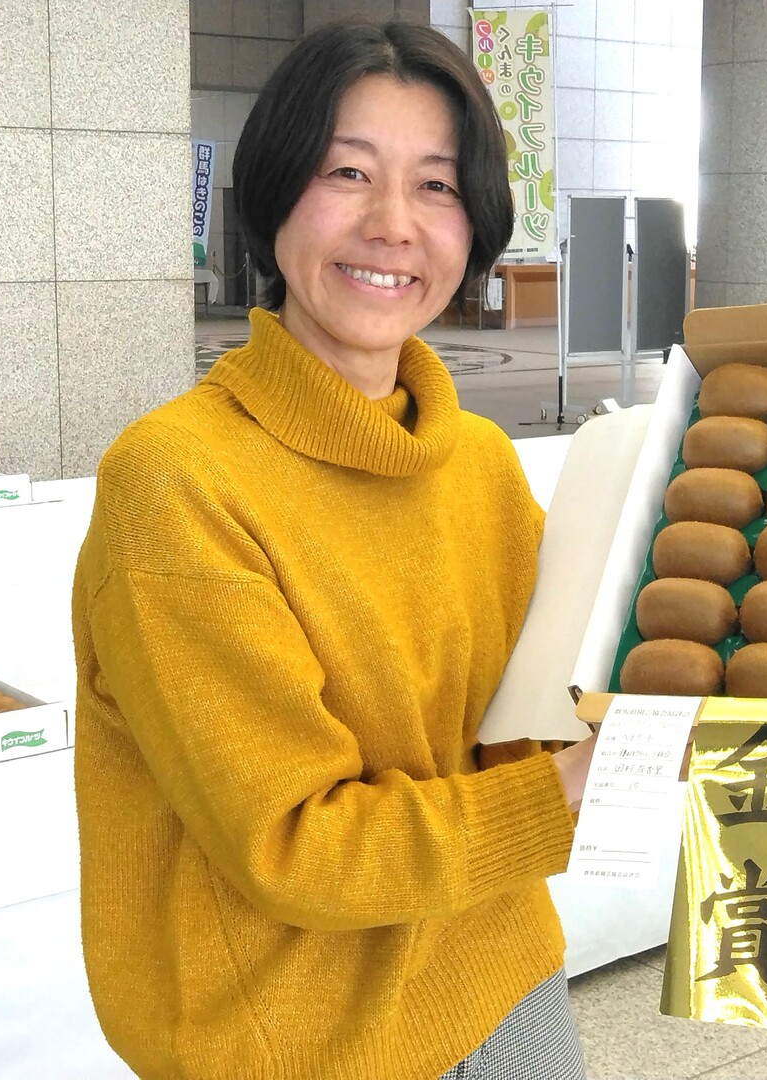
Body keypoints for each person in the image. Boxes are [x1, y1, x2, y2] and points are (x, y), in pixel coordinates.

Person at [70, 19, 596, 1080]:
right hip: (295, 1040)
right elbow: (297, 847)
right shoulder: (176, 483)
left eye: (436, 185)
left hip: (502, 972)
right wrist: (574, 788)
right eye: (347, 172)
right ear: (275, 196)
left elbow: (534, 716)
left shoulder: (479, 463)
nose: (392, 224)